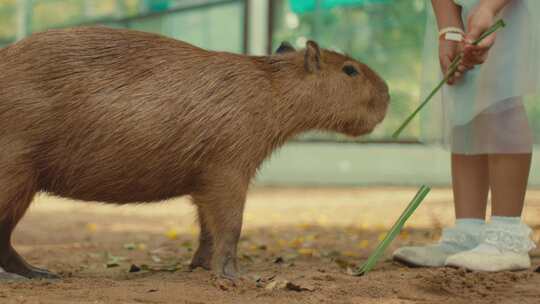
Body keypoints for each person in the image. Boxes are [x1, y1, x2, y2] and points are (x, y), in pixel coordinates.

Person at [393, 0, 540, 272]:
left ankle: (507, 235)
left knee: (501, 95)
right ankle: (468, 230)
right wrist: (448, 27)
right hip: (464, 8)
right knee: (463, 97)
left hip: (507, 7)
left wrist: (487, 9)